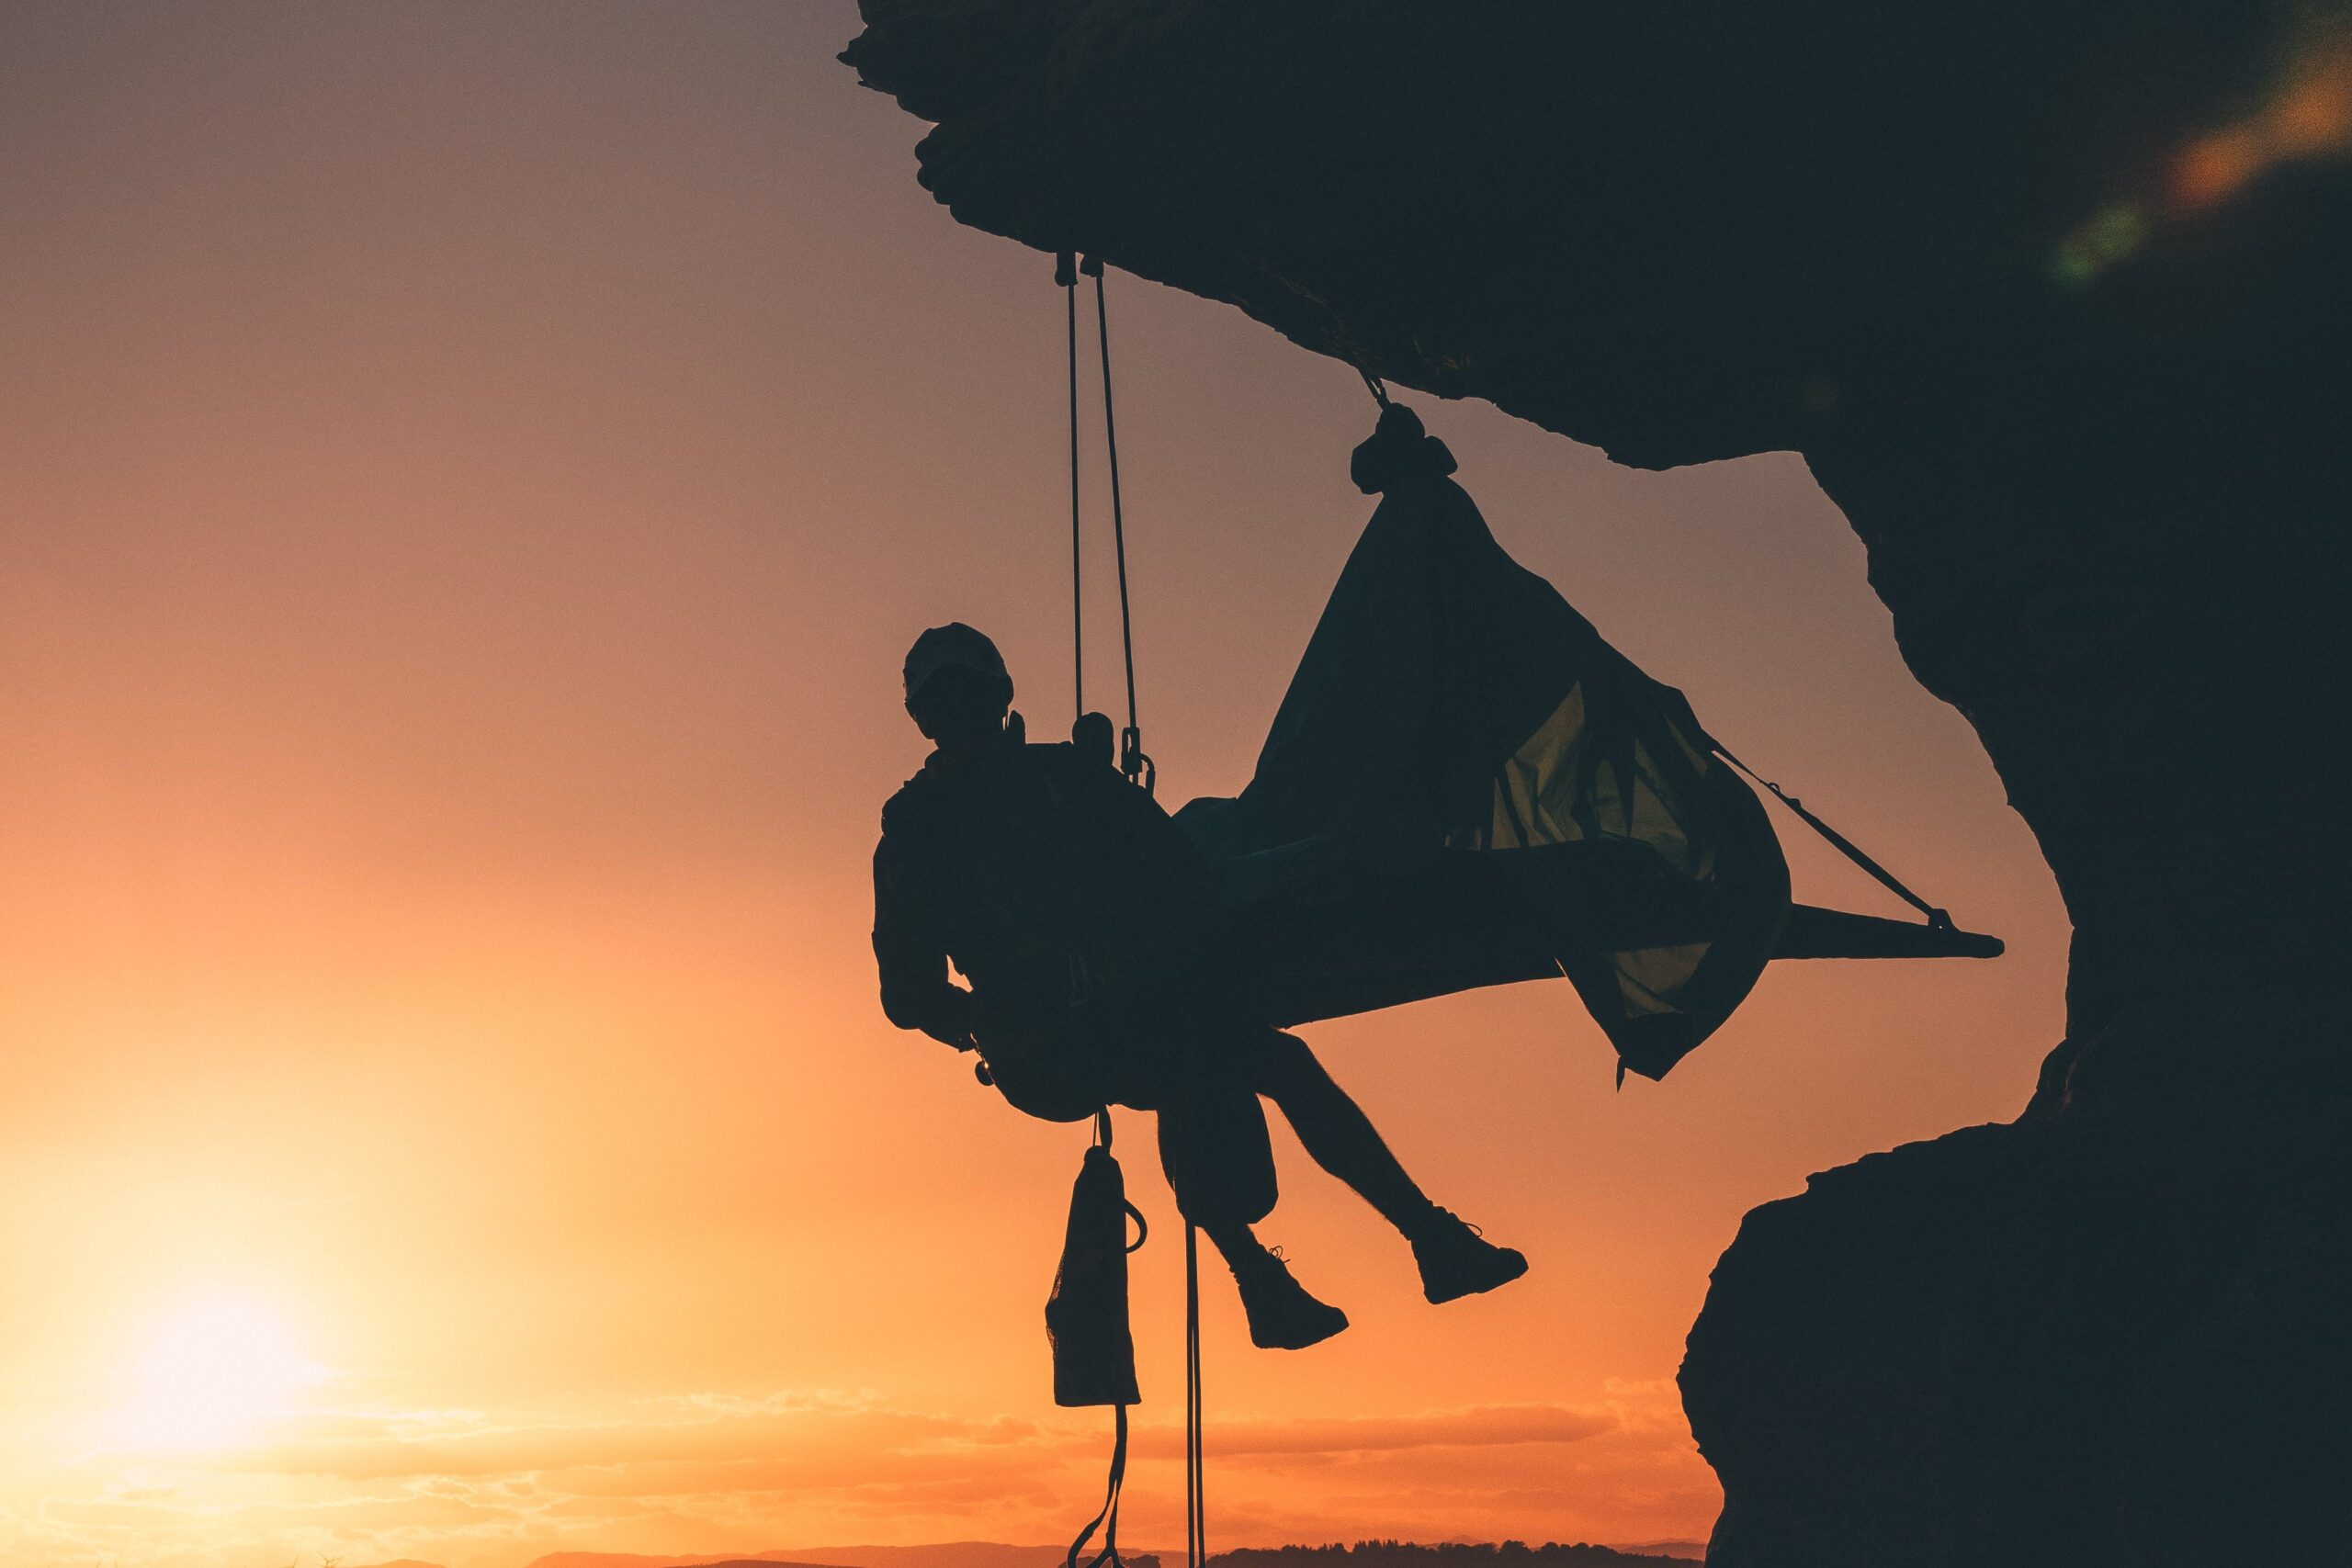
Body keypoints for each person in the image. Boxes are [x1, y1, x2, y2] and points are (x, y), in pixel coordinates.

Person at [874, 622, 1527, 1349]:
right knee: (1263, 1060)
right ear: (998, 698)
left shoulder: (918, 828)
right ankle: (1417, 1241)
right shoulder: (1048, 782)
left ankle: (1285, 1279)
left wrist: (990, 1018)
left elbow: (908, 991)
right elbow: (1175, 873)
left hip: (1042, 1054)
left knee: (1189, 1066)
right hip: (1085, 1023)